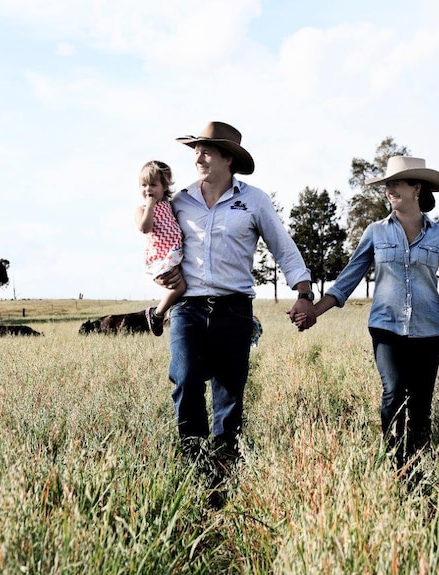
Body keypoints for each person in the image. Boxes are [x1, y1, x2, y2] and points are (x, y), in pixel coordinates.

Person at [291, 156, 439, 470]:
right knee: (393, 393)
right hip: (386, 329)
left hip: (427, 331)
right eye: (387, 184)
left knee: (420, 407)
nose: (389, 189)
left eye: (396, 182)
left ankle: (417, 470)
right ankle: (393, 463)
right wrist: (314, 312)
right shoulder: (376, 233)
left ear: (416, 188)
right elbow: (347, 279)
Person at [156, 121, 315, 476]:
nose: (198, 156)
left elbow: (283, 248)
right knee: (185, 380)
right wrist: (162, 272)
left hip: (234, 309)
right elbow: (160, 243)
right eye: (196, 149)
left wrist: (303, 293)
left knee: (229, 393)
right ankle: (195, 465)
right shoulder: (180, 201)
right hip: (189, 308)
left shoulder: (253, 200)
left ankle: (225, 467)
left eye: (206, 150)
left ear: (228, 158)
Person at [134, 160, 186, 336]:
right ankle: (157, 314)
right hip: (159, 259)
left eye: (153, 185)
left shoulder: (169, 206)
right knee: (179, 288)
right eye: (144, 185)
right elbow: (144, 228)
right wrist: (149, 207)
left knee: (184, 282)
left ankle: (171, 311)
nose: (148, 189)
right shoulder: (142, 209)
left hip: (173, 254)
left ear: (165, 186)